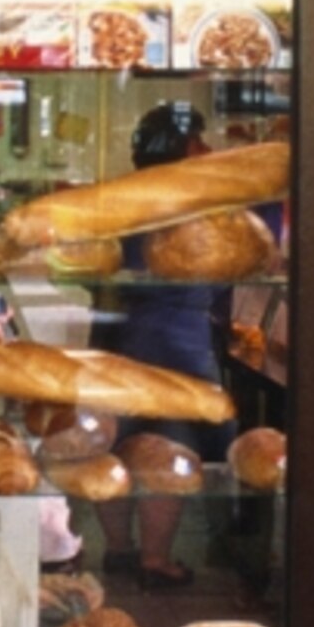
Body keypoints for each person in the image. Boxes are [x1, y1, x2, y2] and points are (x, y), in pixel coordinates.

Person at [95, 100, 235, 592]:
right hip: (177, 341)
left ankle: (117, 549)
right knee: (168, 448)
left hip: (117, 333)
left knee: (111, 444)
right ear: (179, 149)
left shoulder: (123, 200)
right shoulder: (199, 207)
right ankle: (155, 560)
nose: (209, 150)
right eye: (199, 141)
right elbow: (220, 281)